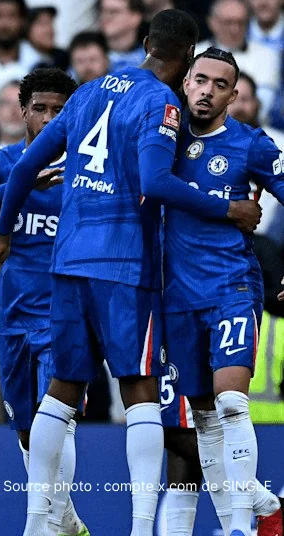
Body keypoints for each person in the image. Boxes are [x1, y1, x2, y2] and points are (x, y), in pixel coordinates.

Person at [0, 9, 261, 536]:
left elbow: (23, 167)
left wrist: (2, 236)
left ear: (148, 41)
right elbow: (155, 182)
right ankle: (137, 528)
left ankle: (37, 523)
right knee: (140, 391)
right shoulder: (162, 103)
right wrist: (226, 209)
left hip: (68, 260)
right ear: (186, 60)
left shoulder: (86, 91)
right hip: (125, 263)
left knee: (61, 390)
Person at [0, 67, 88, 536]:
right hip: (13, 315)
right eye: (40, 109)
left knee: (61, 418)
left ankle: (43, 526)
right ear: (23, 111)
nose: (49, 119)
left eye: (59, 111)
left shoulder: (88, 171)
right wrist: (26, 181)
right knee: (29, 430)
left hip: (66, 313)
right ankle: (67, 517)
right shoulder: (1, 161)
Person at [164, 48, 284, 536]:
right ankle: (261, 504)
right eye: (200, 80)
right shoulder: (161, 139)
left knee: (232, 403)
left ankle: (238, 528)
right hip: (174, 295)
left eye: (220, 84)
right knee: (204, 421)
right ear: (186, 82)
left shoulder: (251, 145)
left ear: (234, 96)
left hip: (231, 285)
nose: (207, 91)